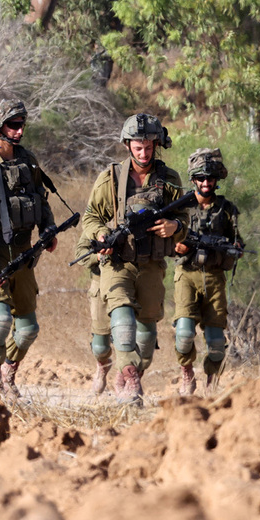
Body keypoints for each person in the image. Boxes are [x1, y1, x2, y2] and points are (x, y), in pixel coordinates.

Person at [81, 113, 189, 406]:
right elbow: (91, 217)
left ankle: (127, 375)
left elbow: (183, 218)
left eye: (149, 147)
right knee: (121, 319)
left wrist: (175, 227)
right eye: (137, 147)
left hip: (152, 265)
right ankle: (127, 377)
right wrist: (102, 233)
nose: (143, 153)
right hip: (117, 262)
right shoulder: (111, 178)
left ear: (156, 145)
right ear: (128, 145)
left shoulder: (169, 180)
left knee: (145, 340)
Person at [0, 99, 56, 401]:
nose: (19, 131)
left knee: (28, 328)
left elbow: (40, 199)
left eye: (21, 125)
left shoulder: (28, 160)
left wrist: (48, 228)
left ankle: (8, 373)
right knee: (1, 318)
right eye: (12, 126)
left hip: (24, 252)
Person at [172, 148, 244, 395]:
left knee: (215, 343)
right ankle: (187, 373)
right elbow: (163, 239)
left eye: (210, 178)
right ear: (193, 179)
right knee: (183, 334)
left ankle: (212, 384)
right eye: (201, 178)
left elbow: (237, 241)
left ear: (217, 180)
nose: (205, 183)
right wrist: (176, 246)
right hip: (186, 275)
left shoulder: (226, 209)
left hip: (214, 278)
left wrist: (234, 249)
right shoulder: (180, 207)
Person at [73, 228, 113, 395]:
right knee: (100, 347)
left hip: (129, 282)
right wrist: (98, 256)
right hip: (100, 283)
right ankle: (102, 366)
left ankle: (126, 378)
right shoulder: (96, 222)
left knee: (127, 337)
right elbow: (80, 254)